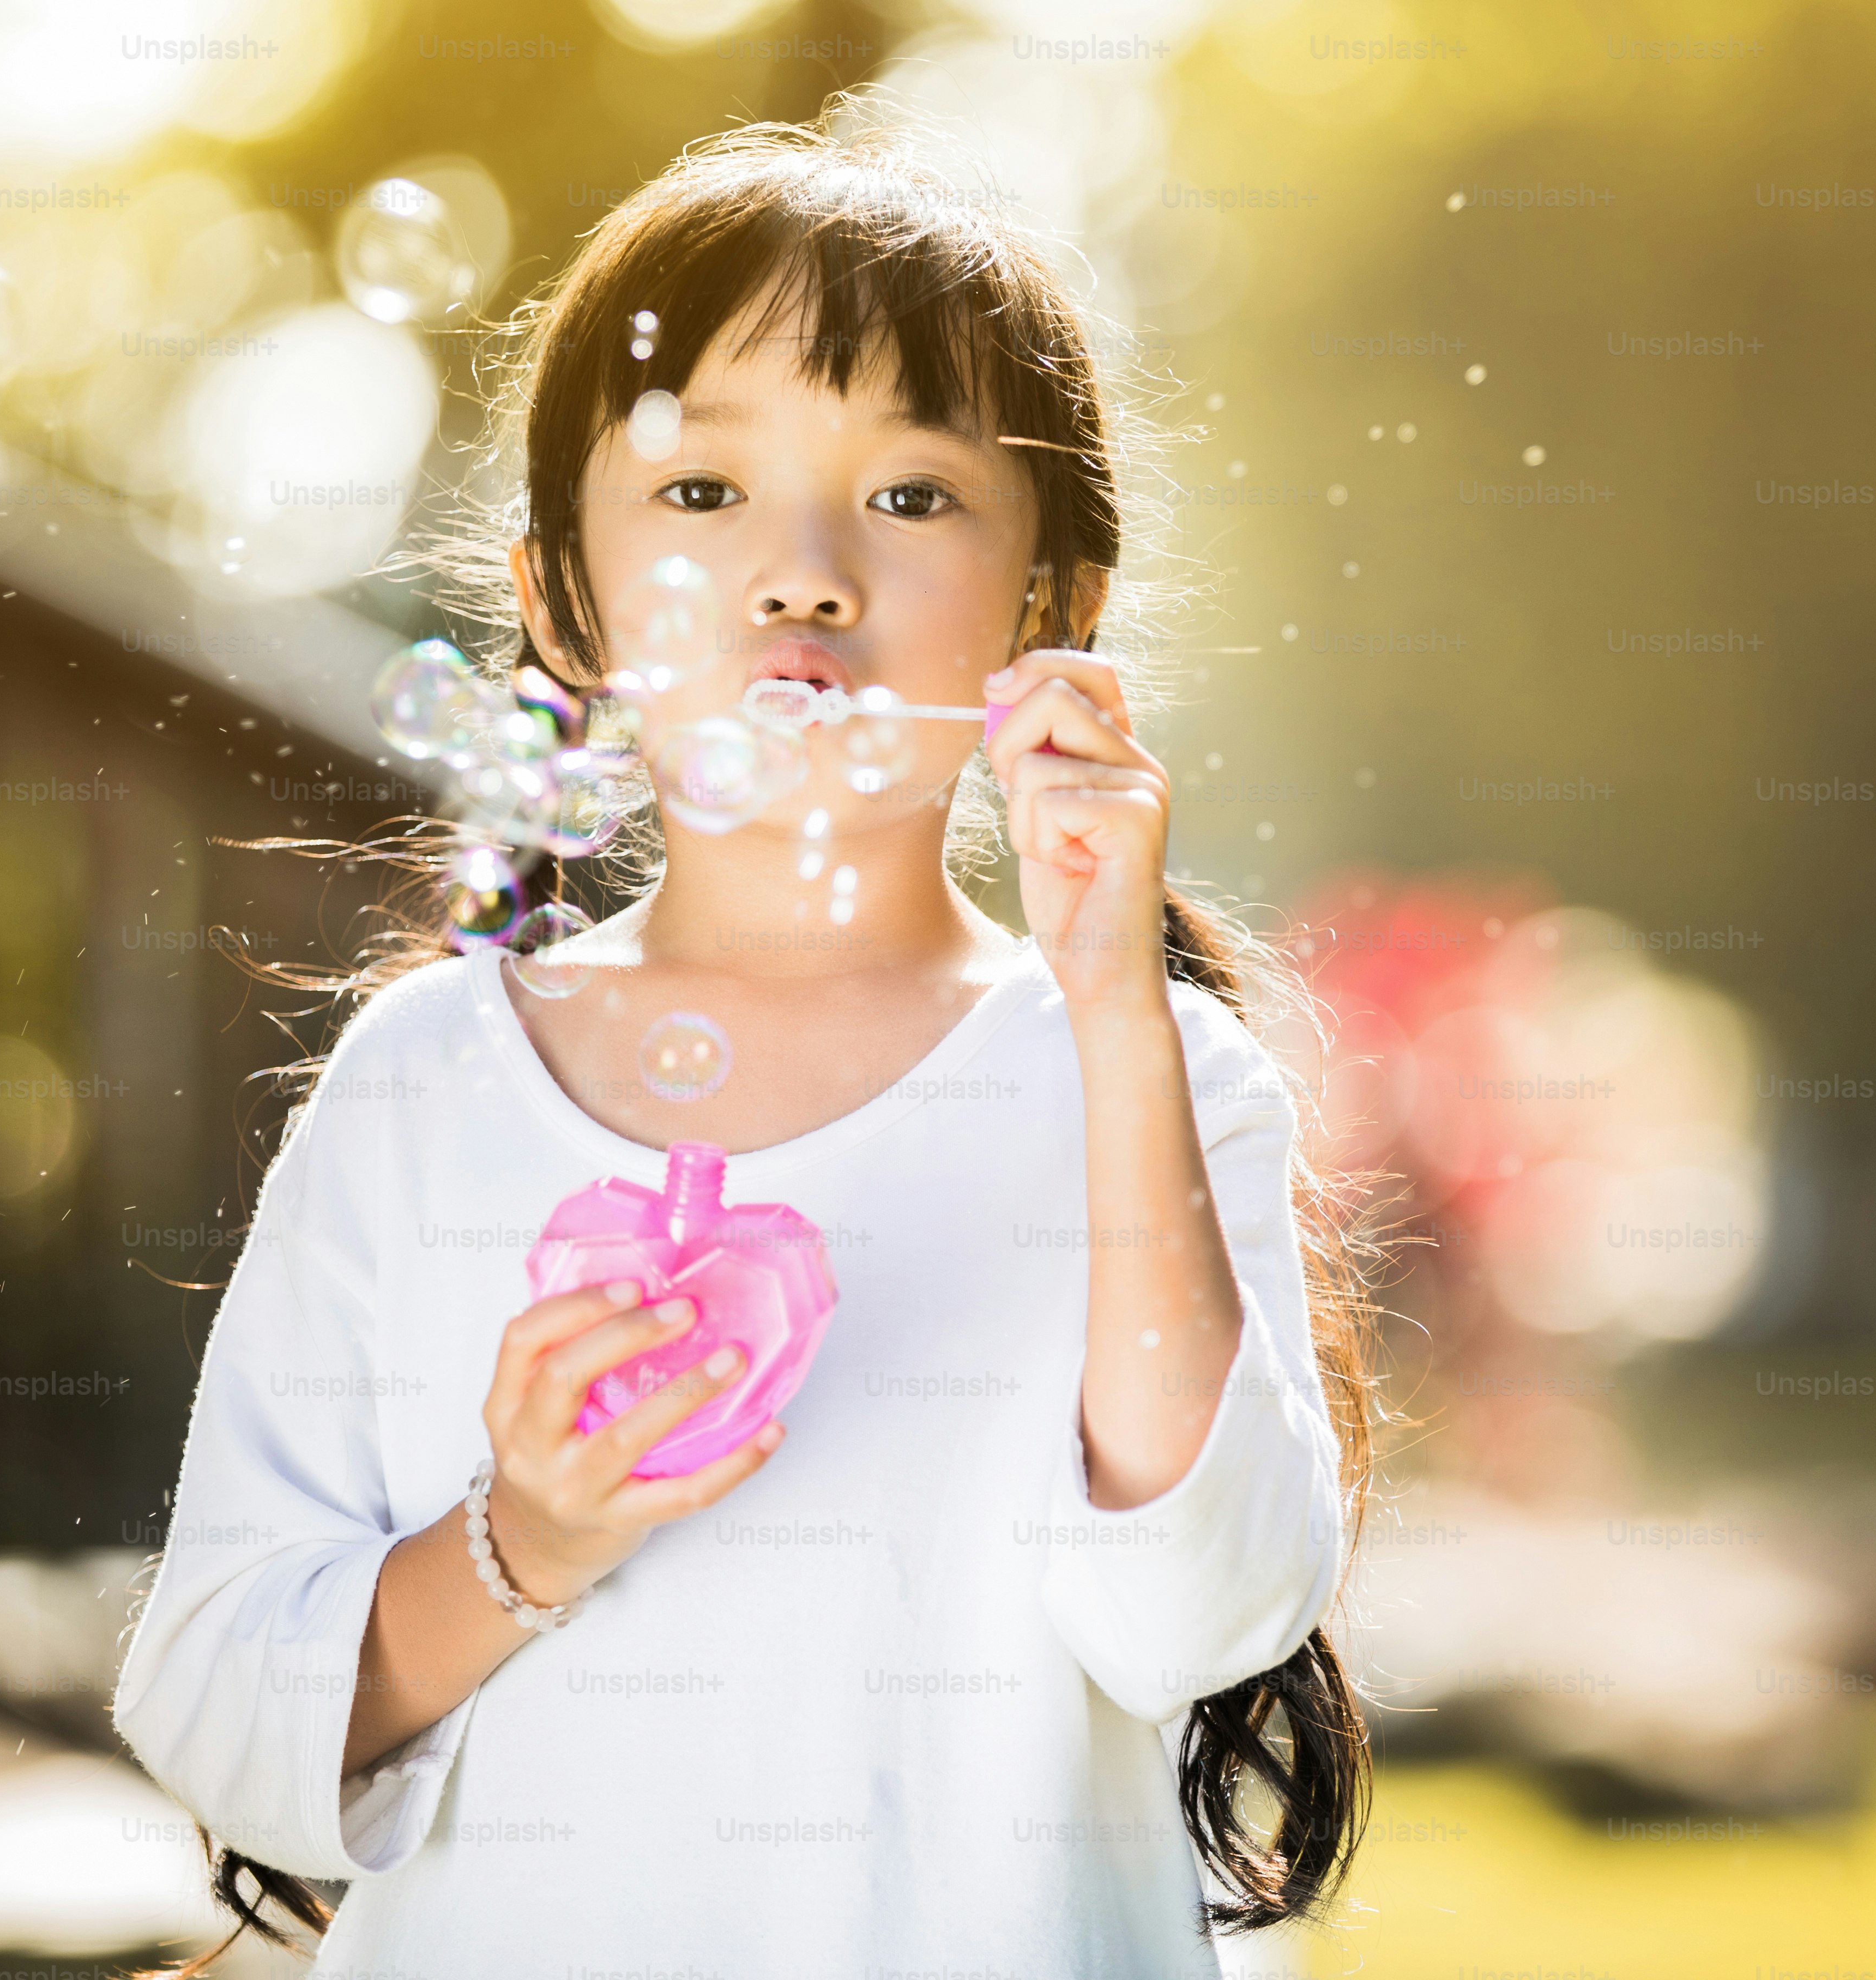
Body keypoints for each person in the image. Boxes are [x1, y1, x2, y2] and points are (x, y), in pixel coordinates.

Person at [114, 110, 1380, 1975]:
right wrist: (523, 1538)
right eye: (701, 494)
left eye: (911, 493)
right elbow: (218, 1709)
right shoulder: (427, 1089)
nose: (803, 571)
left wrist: (1115, 1008)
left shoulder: (1157, 1084)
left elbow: (1201, 1614)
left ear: (1054, 605)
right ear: (565, 593)